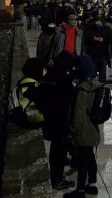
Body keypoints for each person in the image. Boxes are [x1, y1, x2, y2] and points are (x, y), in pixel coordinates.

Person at [27, 51, 76, 190]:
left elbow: (41, 97)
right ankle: (57, 179)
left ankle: (63, 166)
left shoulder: (48, 75)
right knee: (59, 149)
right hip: (61, 121)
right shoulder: (64, 79)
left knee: (57, 147)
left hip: (49, 119)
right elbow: (68, 102)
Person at [64, 54, 102, 198]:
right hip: (93, 127)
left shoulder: (82, 90)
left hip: (83, 130)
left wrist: (72, 132)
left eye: (76, 67)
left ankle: (80, 190)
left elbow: (78, 115)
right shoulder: (95, 84)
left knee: (83, 160)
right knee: (90, 156)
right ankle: (92, 184)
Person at [83, 15, 112, 84]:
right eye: (96, 21)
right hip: (92, 54)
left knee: (102, 74)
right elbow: (85, 40)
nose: (97, 23)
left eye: (99, 22)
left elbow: (111, 40)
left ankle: (102, 90)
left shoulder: (107, 29)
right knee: (92, 74)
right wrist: (93, 40)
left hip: (103, 55)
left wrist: (103, 40)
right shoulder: (89, 29)